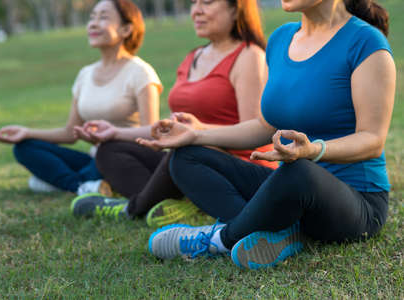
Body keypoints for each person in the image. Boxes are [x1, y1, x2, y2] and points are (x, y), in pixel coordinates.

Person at [143, 0, 395, 270]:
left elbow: (372, 140)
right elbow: (265, 126)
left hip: (357, 202)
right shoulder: (281, 39)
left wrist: (313, 151)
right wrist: (196, 134)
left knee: (299, 171)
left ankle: (218, 240)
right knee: (187, 158)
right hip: (288, 185)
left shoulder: (367, 43)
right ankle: (276, 231)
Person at [70, 0, 277, 226]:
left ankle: (133, 208)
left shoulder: (249, 55)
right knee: (110, 150)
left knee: (185, 151)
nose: (196, 10)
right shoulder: (193, 56)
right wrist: (115, 132)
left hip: (234, 164)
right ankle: (182, 202)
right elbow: (171, 129)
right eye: (193, 3)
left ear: (236, 9)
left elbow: (254, 134)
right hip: (188, 152)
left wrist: (198, 132)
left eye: (206, 2)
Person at [0, 0, 162, 195]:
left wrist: (112, 134)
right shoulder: (85, 74)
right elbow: (69, 133)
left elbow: (152, 134)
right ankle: (82, 186)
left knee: (105, 153)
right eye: (92, 18)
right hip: (95, 157)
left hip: (122, 159)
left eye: (103, 18)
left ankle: (64, 182)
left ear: (126, 29)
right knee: (25, 148)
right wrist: (27, 132)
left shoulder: (141, 72)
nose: (92, 23)